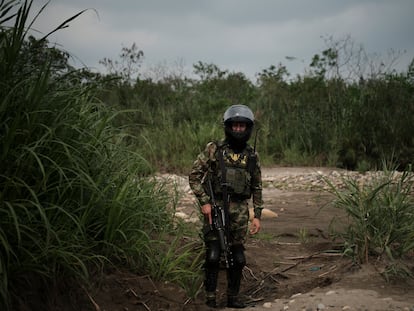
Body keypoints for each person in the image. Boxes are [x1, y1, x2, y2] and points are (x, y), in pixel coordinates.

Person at [189, 104, 263, 308]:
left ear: (247, 128)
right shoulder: (215, 149)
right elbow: (194, 177)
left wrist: (257, 215)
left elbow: (257, 187)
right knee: (213, 255)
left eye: (242, 126)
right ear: (228, 126)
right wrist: (204, 202)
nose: (238, 129)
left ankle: (233, 298)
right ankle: (210, 299)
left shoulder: (252, 156)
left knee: (238, 259)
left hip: (240, 213)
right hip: (215, 209)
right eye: (235, 125)